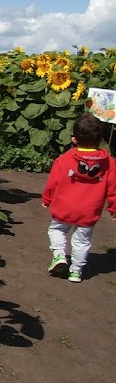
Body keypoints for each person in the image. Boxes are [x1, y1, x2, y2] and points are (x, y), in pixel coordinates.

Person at [42, 112, 116, 282]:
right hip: (90, 209)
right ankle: (76, 271)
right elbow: (113, 188)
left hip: (64, 205)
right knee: (82, 241)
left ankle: (59, 255)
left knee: (57, 230)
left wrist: (47, 199)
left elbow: (53, 182)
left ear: (74, 139)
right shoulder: (109, 162)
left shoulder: (64, 159)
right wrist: (114, 208)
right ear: (101, 140)